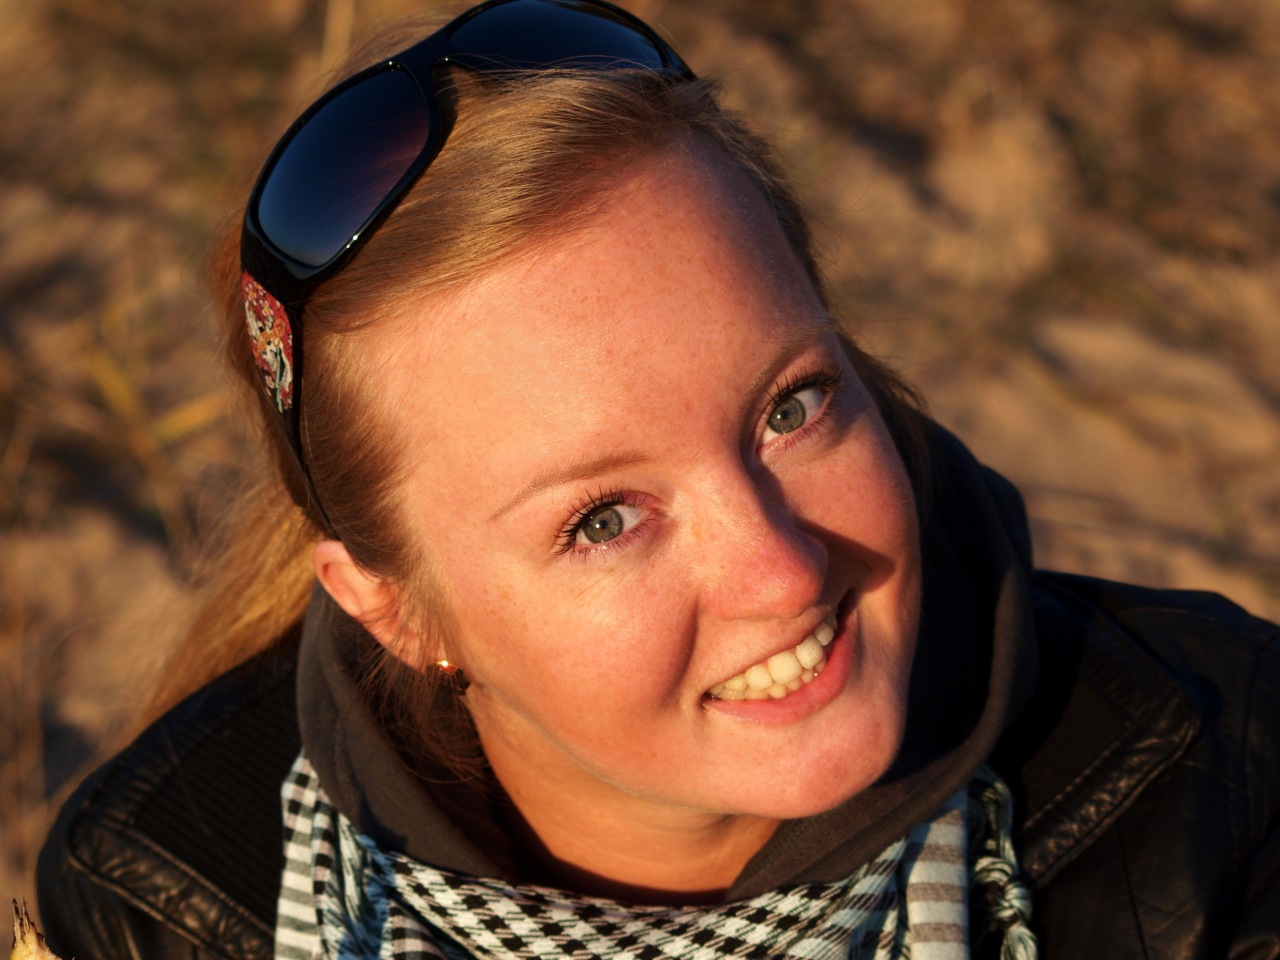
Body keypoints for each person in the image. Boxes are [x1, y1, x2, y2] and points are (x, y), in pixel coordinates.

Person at [35, 1, 1280, 958]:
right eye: (603, 519)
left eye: (790, 408)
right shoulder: (160, 902)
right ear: (394, 610)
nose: (777, 571)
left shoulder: (1226, 774)